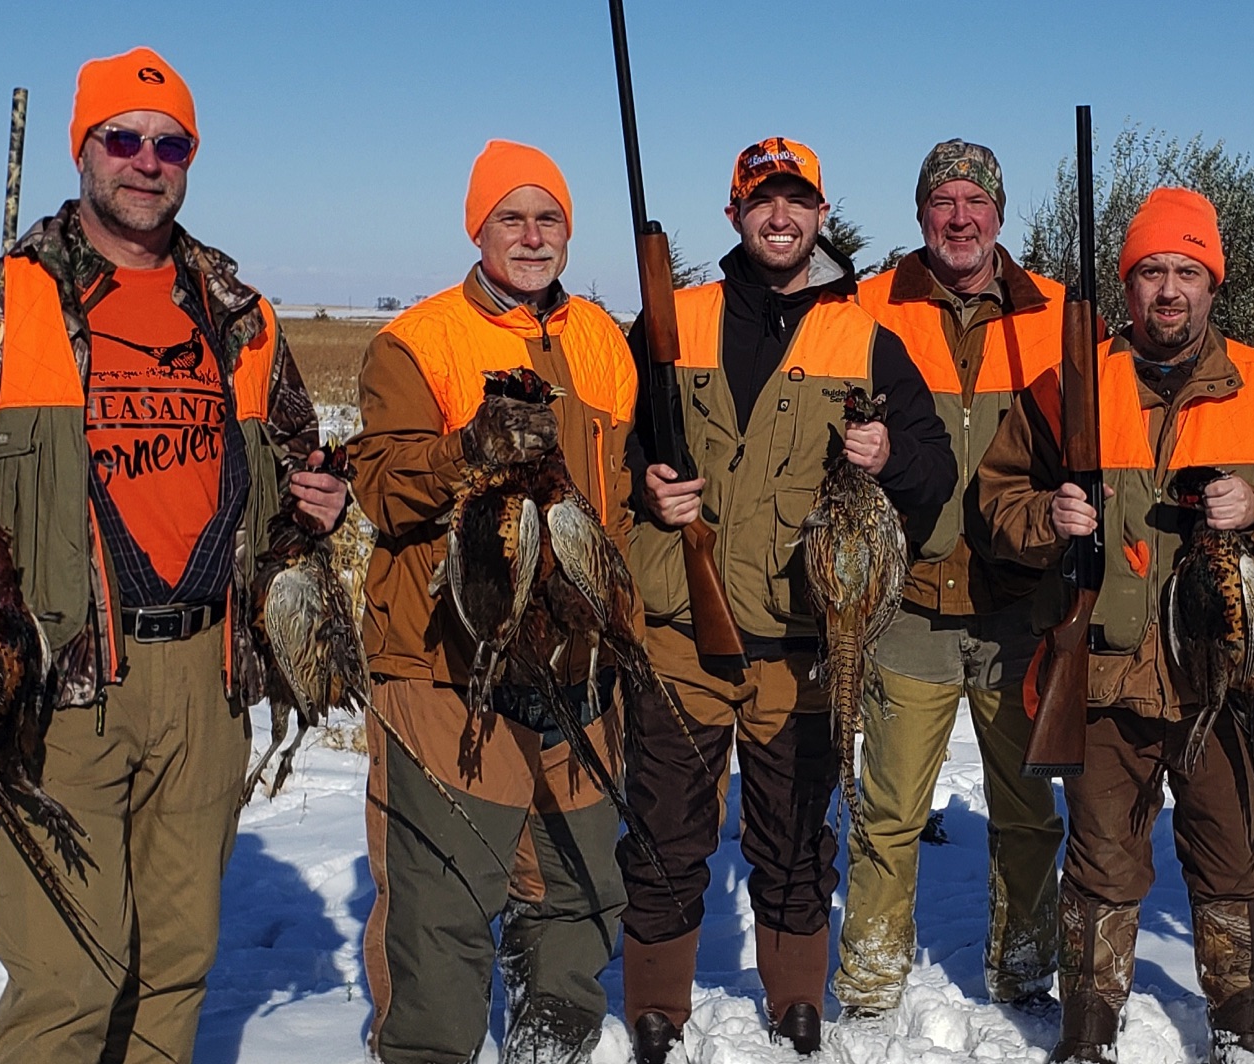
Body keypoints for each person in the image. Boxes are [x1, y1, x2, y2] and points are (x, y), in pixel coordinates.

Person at [0, 47, 343, 1062]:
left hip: (209, 680)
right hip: (58, 683)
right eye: (122, 137)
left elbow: (301, 453)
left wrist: (326, 492)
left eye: (171, 144)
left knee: (176, 959)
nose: (146, 160)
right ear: (84, 149)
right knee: (68, 978)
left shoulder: (238, 313)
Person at [618, 137, 955, 1060]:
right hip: (680, 633)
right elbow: (601, 448)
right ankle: (656, 1006)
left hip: (804, 640)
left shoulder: (866, 338)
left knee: (797, 835)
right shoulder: (665, 320)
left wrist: (893, 460)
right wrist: (643, 487)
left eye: (797, 200)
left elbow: (938, 474)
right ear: (733, 214)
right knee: (663, 831)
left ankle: (796, 1002)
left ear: (820, 212)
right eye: (762, 200)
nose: (780, 216)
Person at [978, 187, 1254, 1063]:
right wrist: (1044, 518)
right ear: (1126, 288)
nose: (1167, 291)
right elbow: (995, 501)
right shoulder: (1066, 385)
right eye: (1148, 273)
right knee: (1100, 865)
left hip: (1230, 675)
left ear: (1214, 283)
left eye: (1185, 271)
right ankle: (1087, 1035)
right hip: (1102, 675)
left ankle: (1241, 1031)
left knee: (1234, 864)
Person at [349, 139, 637, 1063]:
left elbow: (619, 497)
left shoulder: (600, 338)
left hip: (575, 662)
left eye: (548, 217)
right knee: (443, 906)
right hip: (449, 662)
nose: (531, 236)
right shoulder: (418, 341)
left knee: (582, 884)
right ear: (476, 228)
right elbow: (383, 490)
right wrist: (467, 449)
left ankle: (552, 1044)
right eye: (509, 217)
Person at [835, 139, 1066, 1019]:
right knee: (889, 813)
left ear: (1000, 213)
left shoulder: (1059, 312)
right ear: (920, 213)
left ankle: (1025, 970)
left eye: (976, 200)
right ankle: (869, 979)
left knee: (1028, 814)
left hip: (1023, 605)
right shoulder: (865, 308)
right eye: (943, 201)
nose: (959, 216)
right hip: (907, 605)